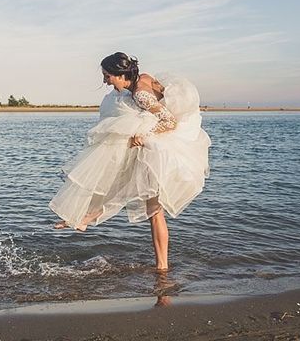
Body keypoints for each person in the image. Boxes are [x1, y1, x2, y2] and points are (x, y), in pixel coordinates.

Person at [50, 52, 210, 271]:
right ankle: (85, 219)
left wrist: (143, 136)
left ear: (119, 74)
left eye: (107, 76)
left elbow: (170, 121)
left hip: (158, 149)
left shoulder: (140, 95)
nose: (105, 81)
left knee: (153, 210)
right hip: (154, 146)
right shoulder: (142, 79)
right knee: (125, 182)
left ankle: (162, 266)